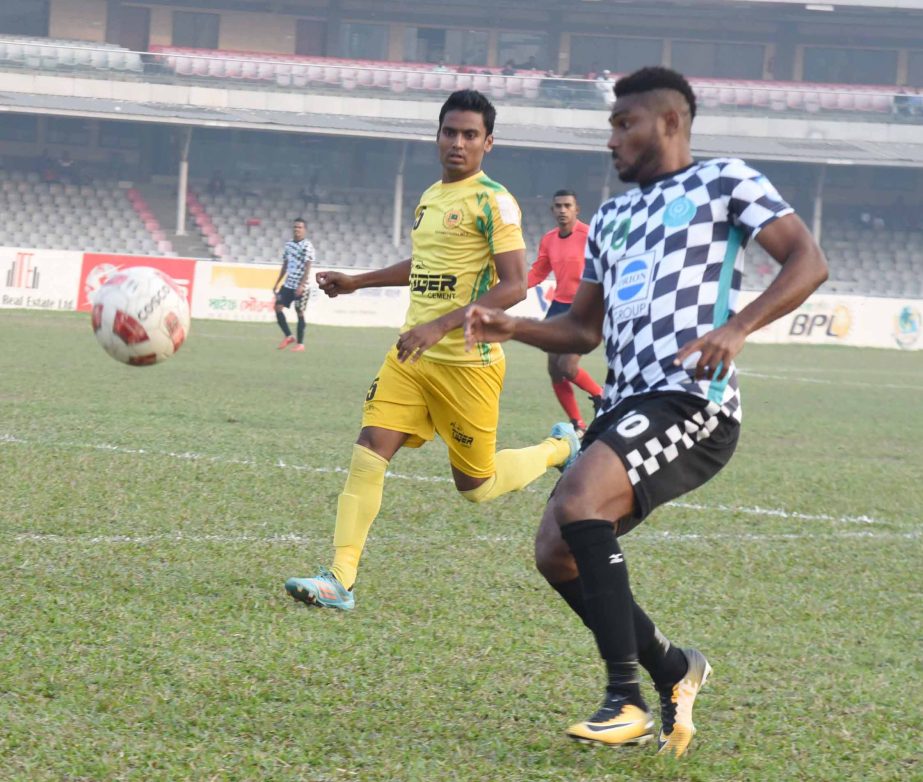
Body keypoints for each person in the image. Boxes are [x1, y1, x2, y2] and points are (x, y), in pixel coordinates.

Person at [464, 67, 828, 756]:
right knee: (555, 553)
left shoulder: (725, 181)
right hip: (627, 404)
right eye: (610, 125)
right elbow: (581, 330)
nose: (611, 139)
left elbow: (806, 262)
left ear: (668, 122)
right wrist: (516, 328)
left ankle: (623, 699)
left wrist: (737, 326)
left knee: (577, 501)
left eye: (622, 124)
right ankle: (673, 668)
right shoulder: (610, 218)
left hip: (693, 399)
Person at [284, 90, 580, 610]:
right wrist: (359, 281)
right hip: (412, 355)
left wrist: (439, 327)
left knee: (476, 486)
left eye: (470, 135)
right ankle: (340, 578)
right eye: (450, 132)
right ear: (437, 136)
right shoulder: (429, 198)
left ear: (489, 142)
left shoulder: (495, 201)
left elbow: (513, 286)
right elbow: (421, 265)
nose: (458, 143)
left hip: (468, 363)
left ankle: (559, 450)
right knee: (371, 445)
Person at [527, 189, 603, 435]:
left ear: (576, 209)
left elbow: (607, 267)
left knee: (568, 367)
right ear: (552, 210)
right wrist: (512, 288)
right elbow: (538, 272)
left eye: (567, 205)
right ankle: (577, 425)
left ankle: (601, 397)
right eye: (558, 206)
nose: (562, 210)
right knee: (555, 370)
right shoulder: (548, 240)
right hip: (559, 307)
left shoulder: (590, 235)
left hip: (585, 307)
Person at [271, 217, 315, 352]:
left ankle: (301, 343)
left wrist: (301, 285)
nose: (297, 230)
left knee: (299, 311)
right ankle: (289, 336)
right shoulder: (288, 245)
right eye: (295, 227)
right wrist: (277, 282)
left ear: (304, 230)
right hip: (288, 284)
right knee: (277, 307)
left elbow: (308, 266)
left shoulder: (307, 246)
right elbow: (285, 264)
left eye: (300, 227)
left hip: (302, 285)